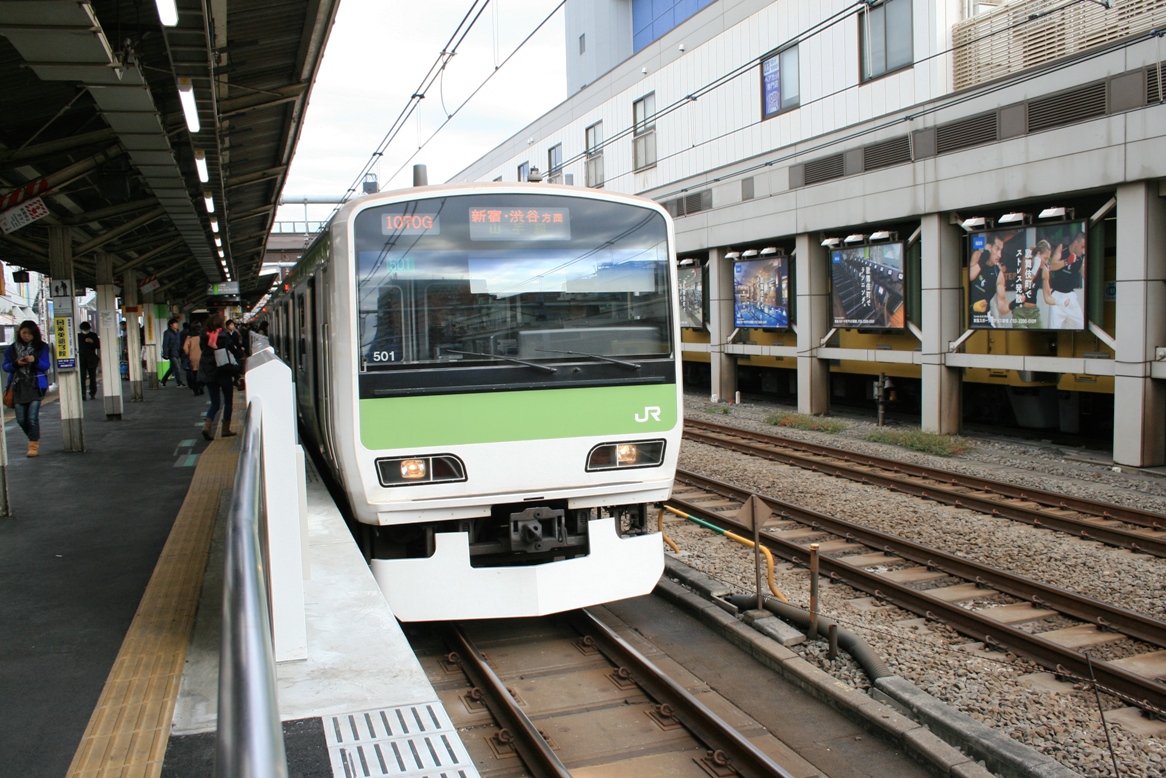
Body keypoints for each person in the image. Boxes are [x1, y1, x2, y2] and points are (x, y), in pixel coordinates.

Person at [3, 320, 52, 457]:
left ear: (35, 334)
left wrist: (34, 360)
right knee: (20, 419)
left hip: (35, 385)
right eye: (24, 333)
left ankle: (33, 445)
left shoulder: (42, 347)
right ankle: (34, 433)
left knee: (31, 417)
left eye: (30, 334)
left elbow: (45, 365)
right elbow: (5, 367)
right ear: (19, 333)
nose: (26, 336)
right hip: (18, 386)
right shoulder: (11, 349)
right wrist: (16, 363)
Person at [198, 314, 241, 440]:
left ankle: (207, 427)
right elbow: (233, 350)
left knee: (215, 403)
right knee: (228, 401)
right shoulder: (223, 336)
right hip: (223, 372)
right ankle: (225, 429)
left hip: (210, 373)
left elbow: (203, 350)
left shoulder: (203, 335)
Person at [1042, 232, 1085, 330]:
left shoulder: (1082, 257)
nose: (1083, 251)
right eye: (1082, 247)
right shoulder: (1062, 248)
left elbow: (1083, 272)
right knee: (1053, 328)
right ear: (1075, 243)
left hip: (1070, 296)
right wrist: (1067, 261)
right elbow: (1051, 266)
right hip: (1057, 296)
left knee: (1080, 326)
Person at [969, 234, 1008, 328]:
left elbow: (1002, 307)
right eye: (997, 249)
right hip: (968, 314)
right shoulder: (978, 256)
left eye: (1001, 250)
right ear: (989, 247)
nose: (999, 255)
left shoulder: (998, 274)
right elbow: (970, 276)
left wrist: (1015, 303)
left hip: (982, 318)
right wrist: (984, 258)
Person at [77, 320, 100, 399]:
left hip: (91, 359)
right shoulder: (78, 336)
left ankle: (92, 393)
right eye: (84, 330)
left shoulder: (93, 335)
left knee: (92, 377)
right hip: (81, 359)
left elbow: (98, 346)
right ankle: (83, 394)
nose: (85, 331)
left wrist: (92, 342)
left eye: (86, 329)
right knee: (82, 377)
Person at [159, 318, 185, 387]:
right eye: (175, 323)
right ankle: (179, 383)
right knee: (177, 367)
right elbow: (165, 344)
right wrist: (166, 354)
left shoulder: (177, 332)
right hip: (171, 353)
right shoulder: (167, 333)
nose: (176, 325)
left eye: (177, 323)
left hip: (176, 352)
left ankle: (163, 380)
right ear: (171, 325)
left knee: (172, 368)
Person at [183, 320, 204, 395]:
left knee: (194, 374)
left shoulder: (190, 336)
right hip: (202, 356)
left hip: (193, 357)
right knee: (201, 373)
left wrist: (188, 353)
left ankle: (195, 390)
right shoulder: (202, 335)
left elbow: (185, 348)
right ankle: (201, 386)